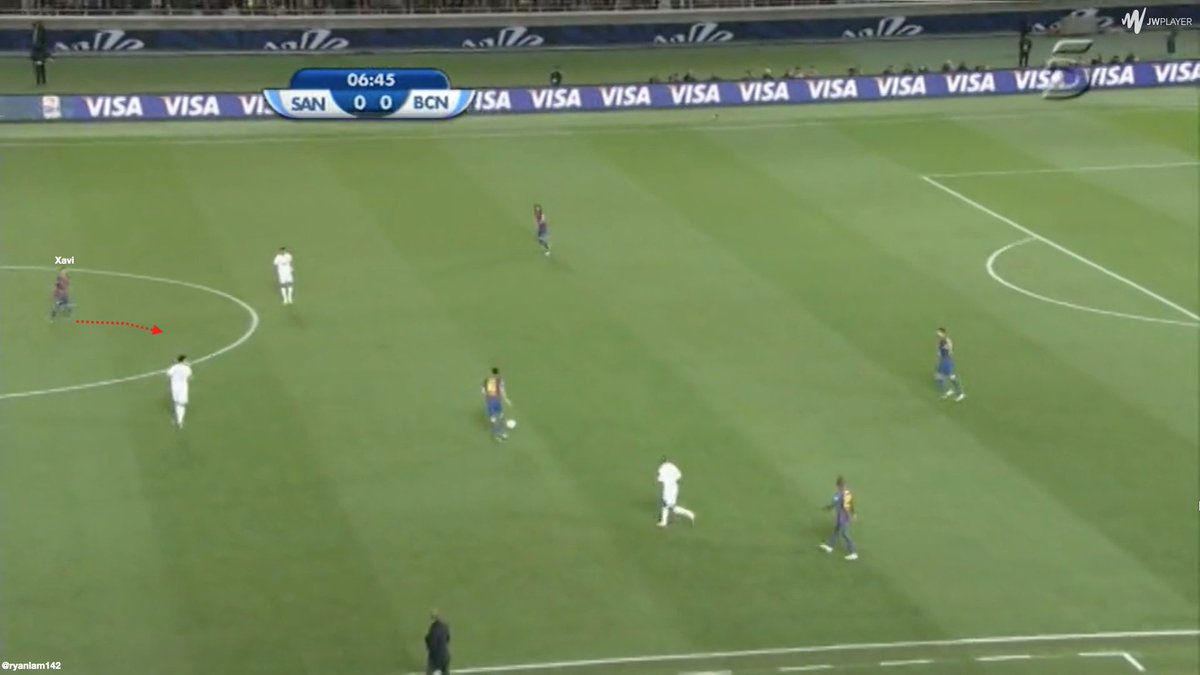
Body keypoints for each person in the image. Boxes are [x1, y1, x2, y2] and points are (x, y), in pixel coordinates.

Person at [819, 476, 858, 560]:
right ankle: (830, 546)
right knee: (836, 531)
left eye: (842, 486)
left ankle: (853, 552)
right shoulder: (838, 494)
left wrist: (851, 516)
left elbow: (849, 507)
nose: (841, 487)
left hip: (844, 518)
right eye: (840, 486)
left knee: (844, 534)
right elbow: (835, 503)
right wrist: (828, 508)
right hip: (839, 517)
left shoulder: (847, 495)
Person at [656, 458, 696, 527]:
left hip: (667, 489)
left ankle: (690, 514)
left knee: (670, 507)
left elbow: (659, 479)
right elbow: (679, 475)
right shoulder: (673, 466)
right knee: (666, 505)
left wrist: (664, 478)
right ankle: (664, 522)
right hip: (674, 487)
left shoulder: (662, 468)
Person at [934, 327, 965, 401]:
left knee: (950, 376)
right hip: (945, 360)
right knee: (939, 375)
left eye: (939, 332)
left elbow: (946, 350)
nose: (937, 334)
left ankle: (960, 393)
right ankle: (949, 390)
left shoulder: (944, 341)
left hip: (946, 360)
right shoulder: (945, 340)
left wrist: (941, 353)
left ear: (943, 333)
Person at [482, 368, 512, 441]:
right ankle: (500, 433)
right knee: (498, 416)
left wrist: (487, 400)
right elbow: (502, 391)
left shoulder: (486, 380)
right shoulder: (500, 381)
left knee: (494, 418)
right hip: (497, 400)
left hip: (490, 401)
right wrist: (506, 399)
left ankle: (500, 431)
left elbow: (483, 392)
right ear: (497, 373)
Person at [167, 355, 192, 429]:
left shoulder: (174, 367)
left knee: (177, 403)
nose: (187, 361)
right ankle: (180, 421)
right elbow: (190, 377)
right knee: (182, 404)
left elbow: (168, 374)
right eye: (186, 360)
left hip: (174, 387)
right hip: (183, 388)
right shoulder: (187, 368)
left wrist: (173, 365)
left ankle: (177, 419)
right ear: (183, 361)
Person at [424, 610, 450, 675]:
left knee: (430, 672)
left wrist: (426, 640)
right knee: (445, 672)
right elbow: (447, 638)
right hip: (445, 656)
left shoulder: (433, 629)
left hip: (436, 658)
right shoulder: (445, 626)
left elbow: (432, 645)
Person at [31, 22, 48, 86]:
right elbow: (33, 41)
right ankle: (38, 81)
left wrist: (42, 49)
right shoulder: (33, 32)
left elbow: (44, 41)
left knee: (41, 66)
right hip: (35, 51)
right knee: (36, 66)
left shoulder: (42, 32)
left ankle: (43, 80)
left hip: (40, 51)